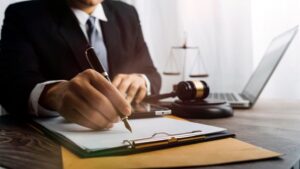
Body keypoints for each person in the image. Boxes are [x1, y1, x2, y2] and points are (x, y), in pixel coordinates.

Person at [0, 0, 161, 130]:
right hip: (53, 141)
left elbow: (151, 74)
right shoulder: (24, 15)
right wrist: (55, 94)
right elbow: (11, 88)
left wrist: (141, 80)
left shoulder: (127, 13)